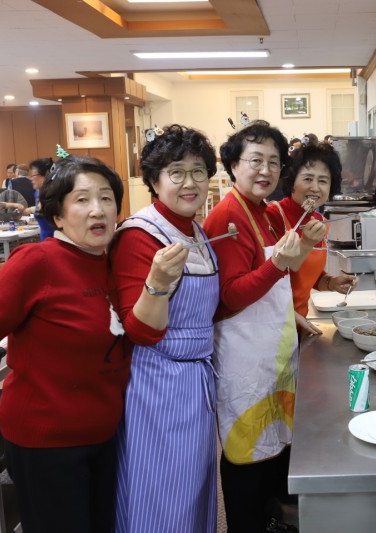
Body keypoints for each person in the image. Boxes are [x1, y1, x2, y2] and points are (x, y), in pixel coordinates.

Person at [0, 155, 139, 532]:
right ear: (57, 214)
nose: (98, 210)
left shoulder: (113, 263)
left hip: (105, 435)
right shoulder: (36, 262)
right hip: (47, 442)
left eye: (107, 199)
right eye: (82, 200)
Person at [203, 119, 318, 532]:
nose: (265, 170)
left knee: (273, 452)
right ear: (233, 165)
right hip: (245, 358)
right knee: (246, 456)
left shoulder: (267, 213)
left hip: (273, 350)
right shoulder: (226, 215)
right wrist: (280, 263)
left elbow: (273, 283)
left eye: (273, 161)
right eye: (255, 160)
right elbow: (230, 295)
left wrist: (293, 313)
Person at [110, 124, 220, 533]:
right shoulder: (140, 235)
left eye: (198, 171)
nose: (190, 183)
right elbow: (138, 330)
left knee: (193, 491)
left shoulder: (196, 229)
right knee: (158, 497)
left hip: (196, 382)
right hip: (157, 385)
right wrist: (156, 282)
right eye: (176, 172)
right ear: (154, 181)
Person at [267, 141, 356, 336]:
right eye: (308, 179)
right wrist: (305, 243)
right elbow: (274, 275)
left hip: (301, 326)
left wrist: (330, 282)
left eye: (323, 181)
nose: (315, 187)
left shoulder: (319, 221)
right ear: (292, 181)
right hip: (272, 326)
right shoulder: (273, 215)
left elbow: (308, 275)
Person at [27, 157, 55, 240]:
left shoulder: (53, 194)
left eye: (34, 176)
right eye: (30, 176)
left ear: (46, 175)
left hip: (56, 241)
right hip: (45, 240)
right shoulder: (37, 193)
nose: (31, 179)